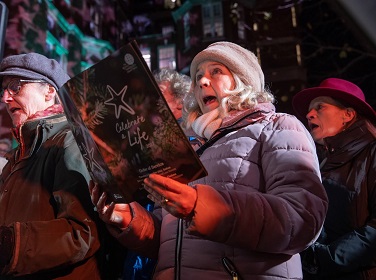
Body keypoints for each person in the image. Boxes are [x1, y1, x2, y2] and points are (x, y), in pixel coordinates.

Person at [90, 41, 328, 279]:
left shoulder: (278, 126)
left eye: (216, 71)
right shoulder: (188, 149)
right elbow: (169, 241)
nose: (203, 81)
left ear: (242, 78)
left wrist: (199, 206)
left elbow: (302, 219)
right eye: (198, 77)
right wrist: (129, 218)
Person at [0, 53, 108, 279]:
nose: (5, 98)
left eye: (15, 86)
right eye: (3, 90)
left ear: (50, 92)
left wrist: (11, 244)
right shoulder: (16, 157)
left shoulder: (70, 141)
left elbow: (83, 232)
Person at [292, 78, 376, 280]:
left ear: (348, 114)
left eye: (320, 107)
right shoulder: (314, 162)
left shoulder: (372, 152)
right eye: (310, 110)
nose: (309, 114)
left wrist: (326, 258)